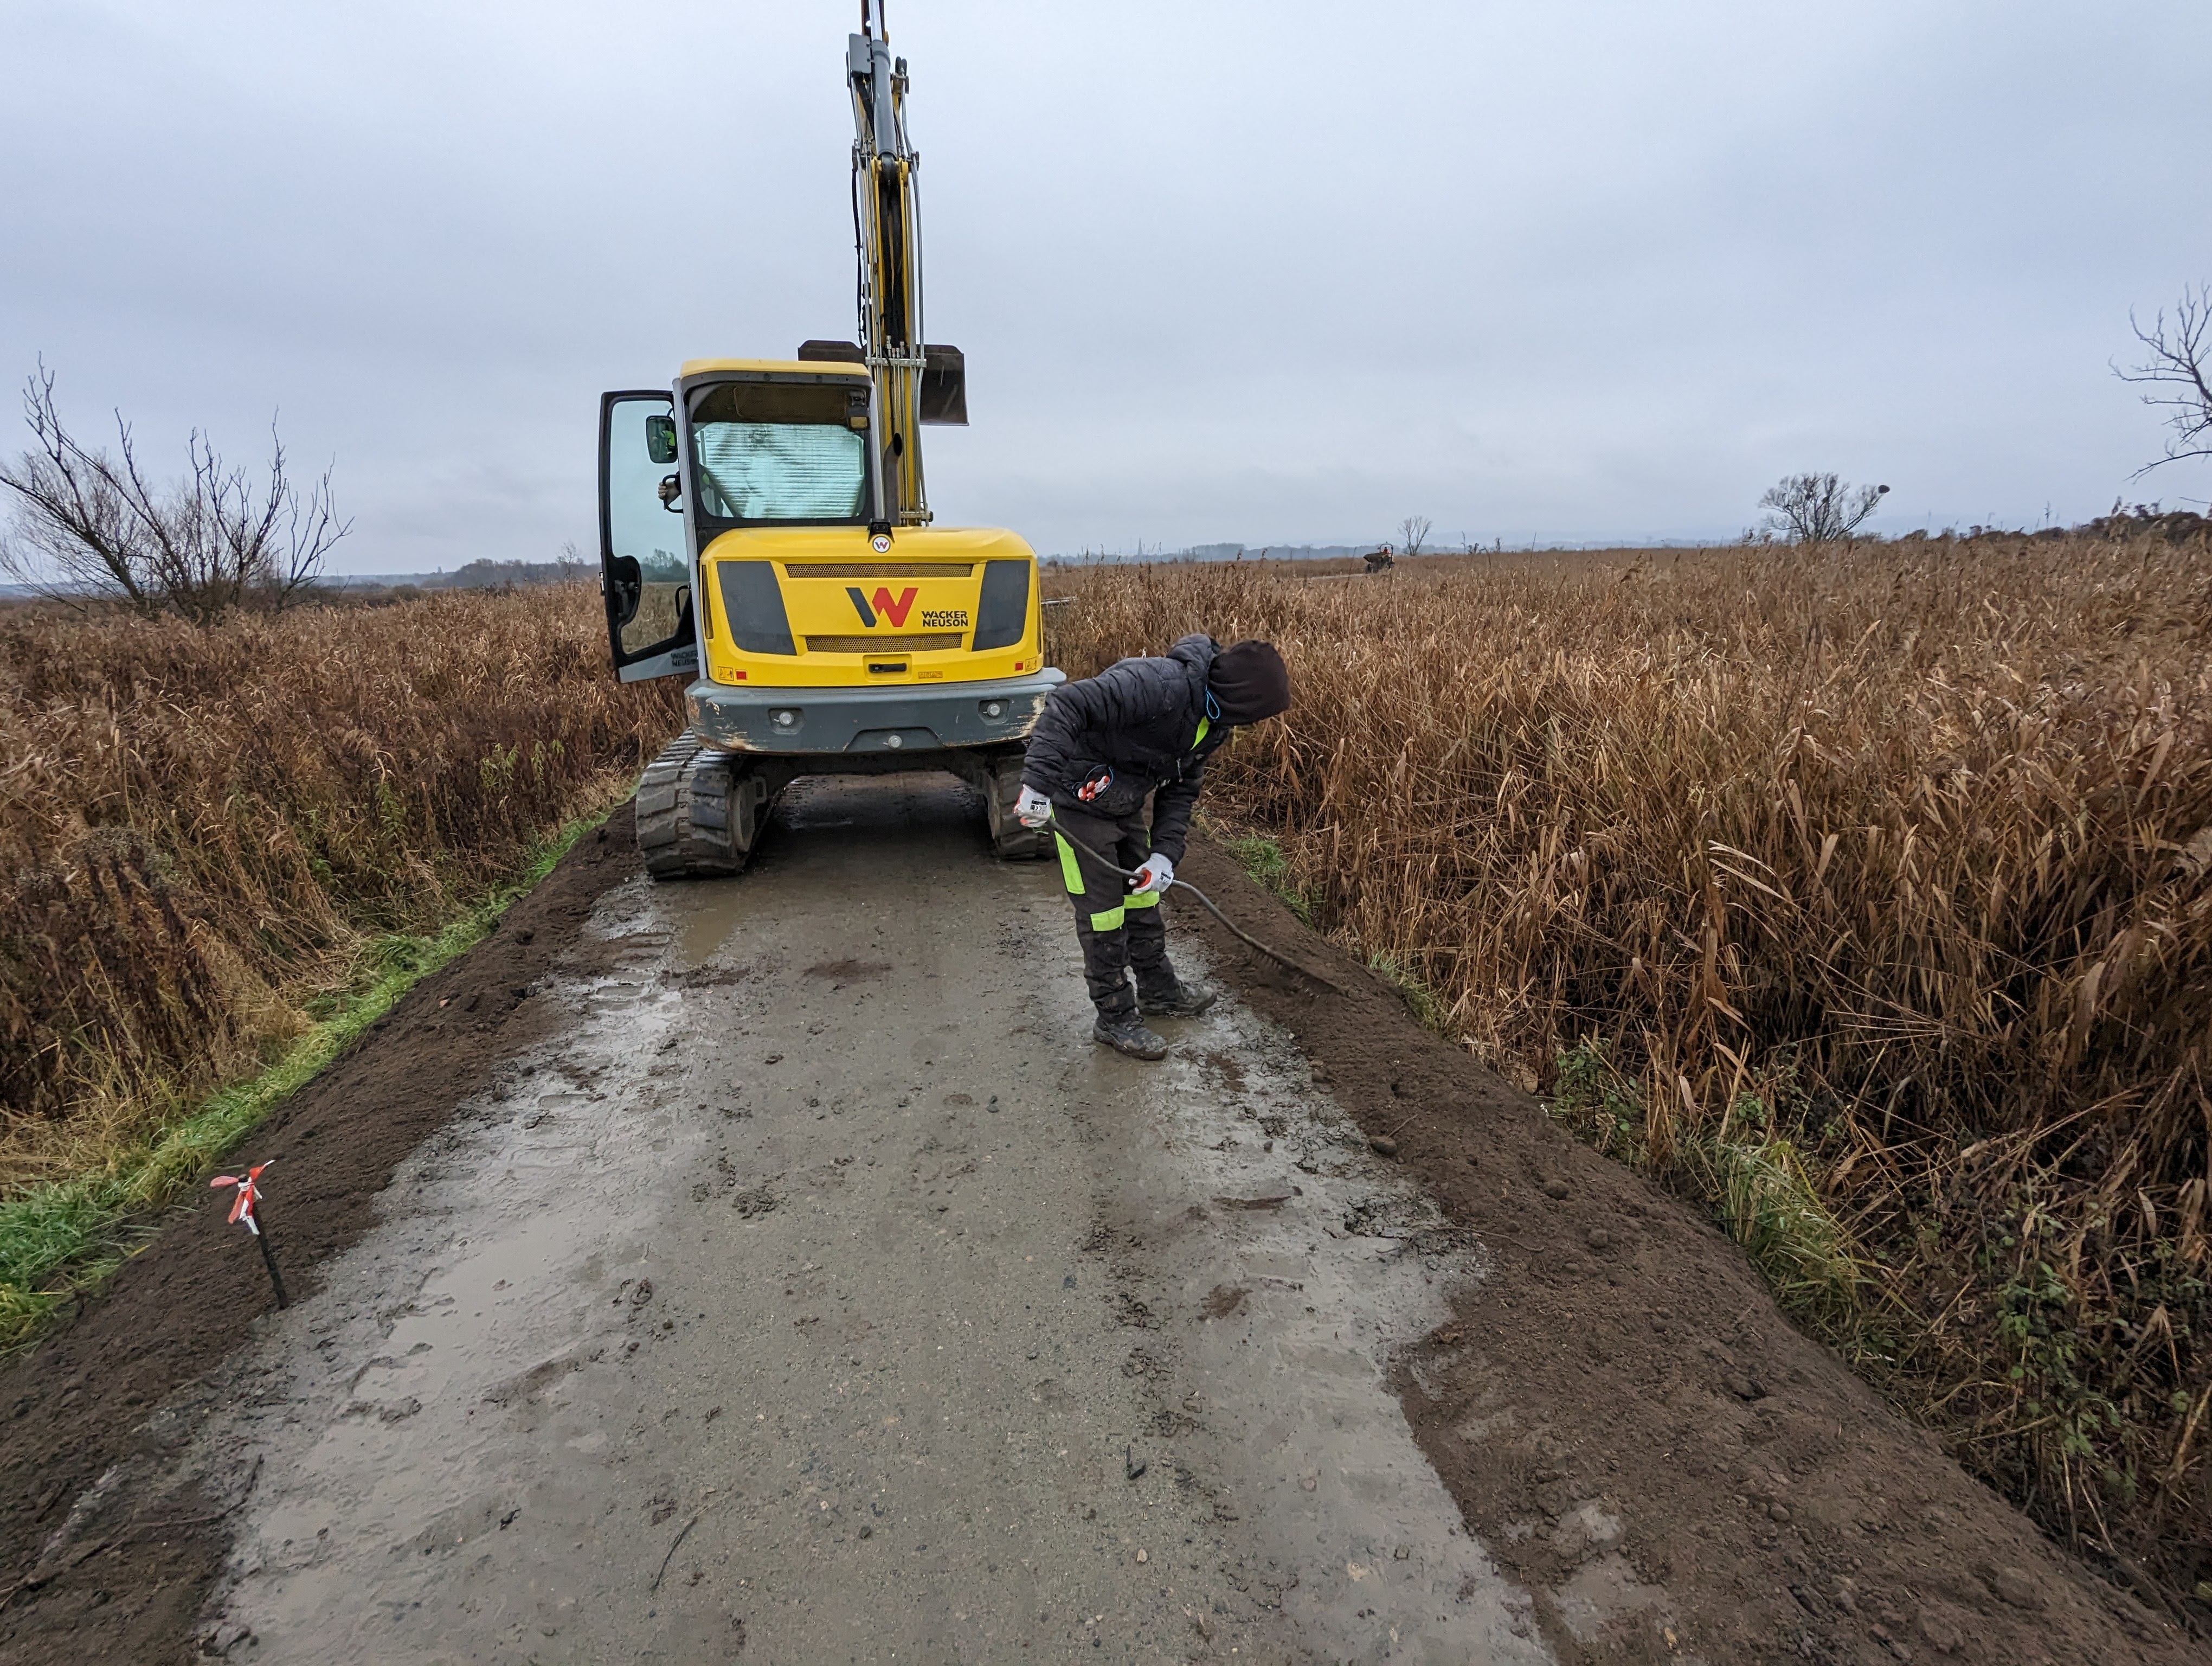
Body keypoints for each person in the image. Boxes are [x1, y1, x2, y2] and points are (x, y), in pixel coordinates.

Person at [1014, 636, 1293, 1059]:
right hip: (1076, 801)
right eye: (1258, 715)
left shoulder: (1212, 725)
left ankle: (1159, 991)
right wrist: (1037, 785)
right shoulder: (1158, 685)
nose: (1255, 725)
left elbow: (1180, 791)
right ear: (1241, 699)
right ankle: (1114, 1018)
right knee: (1104, 915)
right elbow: (1068, 704)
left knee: (1143, 898)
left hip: (1123, 801)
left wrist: (1165, 854)